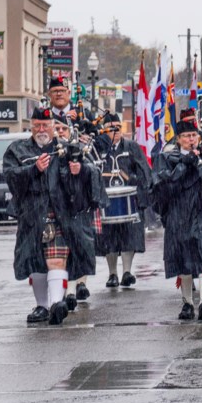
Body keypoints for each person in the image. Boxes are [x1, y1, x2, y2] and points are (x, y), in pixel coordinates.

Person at [3, 107, 105, 326]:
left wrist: (81, 171)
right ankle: (42, 306)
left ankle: (57, 304)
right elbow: (10, 177)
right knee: (36, 262)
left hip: (60, 214)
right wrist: (33, 170)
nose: (42, 129)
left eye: (46, 125)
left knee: (57, 260)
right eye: (37, 125)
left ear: (52, 127)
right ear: (31, 126)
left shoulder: (67, 149)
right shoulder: (17, 150)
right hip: (32, 214)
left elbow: (92, 171)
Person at [151, 108, 202, 322]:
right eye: (186, 136)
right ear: (178, 139)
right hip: (179, 216)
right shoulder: (166, 158)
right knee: (184, 261)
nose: (191, 139)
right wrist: (183, 166)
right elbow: (162, 187)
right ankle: (187, 303)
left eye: (194, 135)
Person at [90, 112, 151, 288]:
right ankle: (112, 274)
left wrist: (132, 179)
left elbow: (144, 172)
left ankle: (126, 272)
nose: (116, 131)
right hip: (106, 201)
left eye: (118, 127)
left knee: (129, 236)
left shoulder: (132, 147)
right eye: (111, 128)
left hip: (129, 199)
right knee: (108, 239)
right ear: (104, 131)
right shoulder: (98, 150)